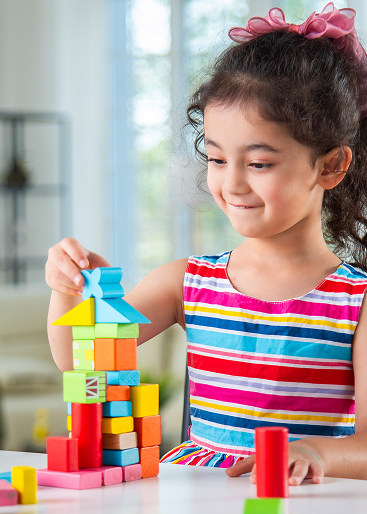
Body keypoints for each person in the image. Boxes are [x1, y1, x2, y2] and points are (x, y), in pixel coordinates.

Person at [46, 3, 367, 486]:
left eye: (259, 164)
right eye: (217, 159)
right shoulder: (186, 281)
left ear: (330, 166)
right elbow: (78, 359)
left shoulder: (355, 302)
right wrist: (67, 289)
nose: (231, 184)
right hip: (191, 494)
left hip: (296, 501)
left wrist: (314, 452)